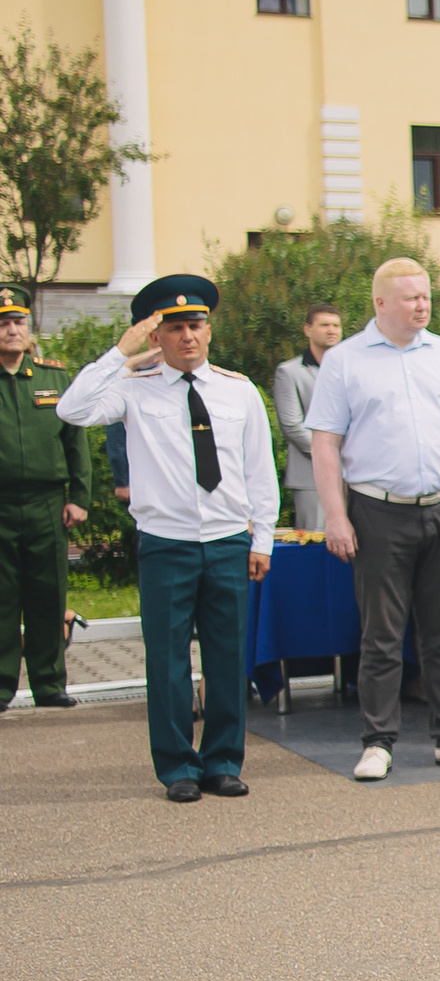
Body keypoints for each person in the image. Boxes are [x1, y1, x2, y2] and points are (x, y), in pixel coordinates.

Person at [56, 276, 277, 798]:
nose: (188, 337)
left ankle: (223, 761)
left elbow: (259, 470)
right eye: (174, 328)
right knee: (168, 659)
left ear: (208, 328)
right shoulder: (132, 389)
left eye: (195, 325)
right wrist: (121, 354)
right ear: (157, 336)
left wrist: (262, 539)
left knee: (227, 658)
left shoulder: (237, 390)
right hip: (166, 543)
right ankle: (178, 767)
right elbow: (72, 409)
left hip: (227, 541)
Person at [307, 256, 440, 781]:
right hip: (376, 512)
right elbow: (326, 443)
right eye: (411, 297)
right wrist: (335, 515)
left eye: (426, 295)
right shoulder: (344, 361)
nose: (423, 304)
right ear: (380, 303)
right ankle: (377, 741)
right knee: (382, 634)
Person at [0, 282, 88, 710]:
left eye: (17, 322)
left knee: (47, 595)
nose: (10, 330)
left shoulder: (54, 377)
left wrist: (80, 496)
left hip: (47, 503)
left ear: (29, 328)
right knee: (2, 597)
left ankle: (49, 684)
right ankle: (1, 688)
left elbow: (75, 440)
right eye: (2, 324)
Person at [270, 302, 341, 530]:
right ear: (307, 329)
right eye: (324, 325)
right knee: (317, 546)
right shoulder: (289, 372)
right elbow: (292, 426)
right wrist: (331, 454)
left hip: (357, 477)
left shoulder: (351, 370)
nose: (332, 330)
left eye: (336, 325)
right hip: (311, 478)